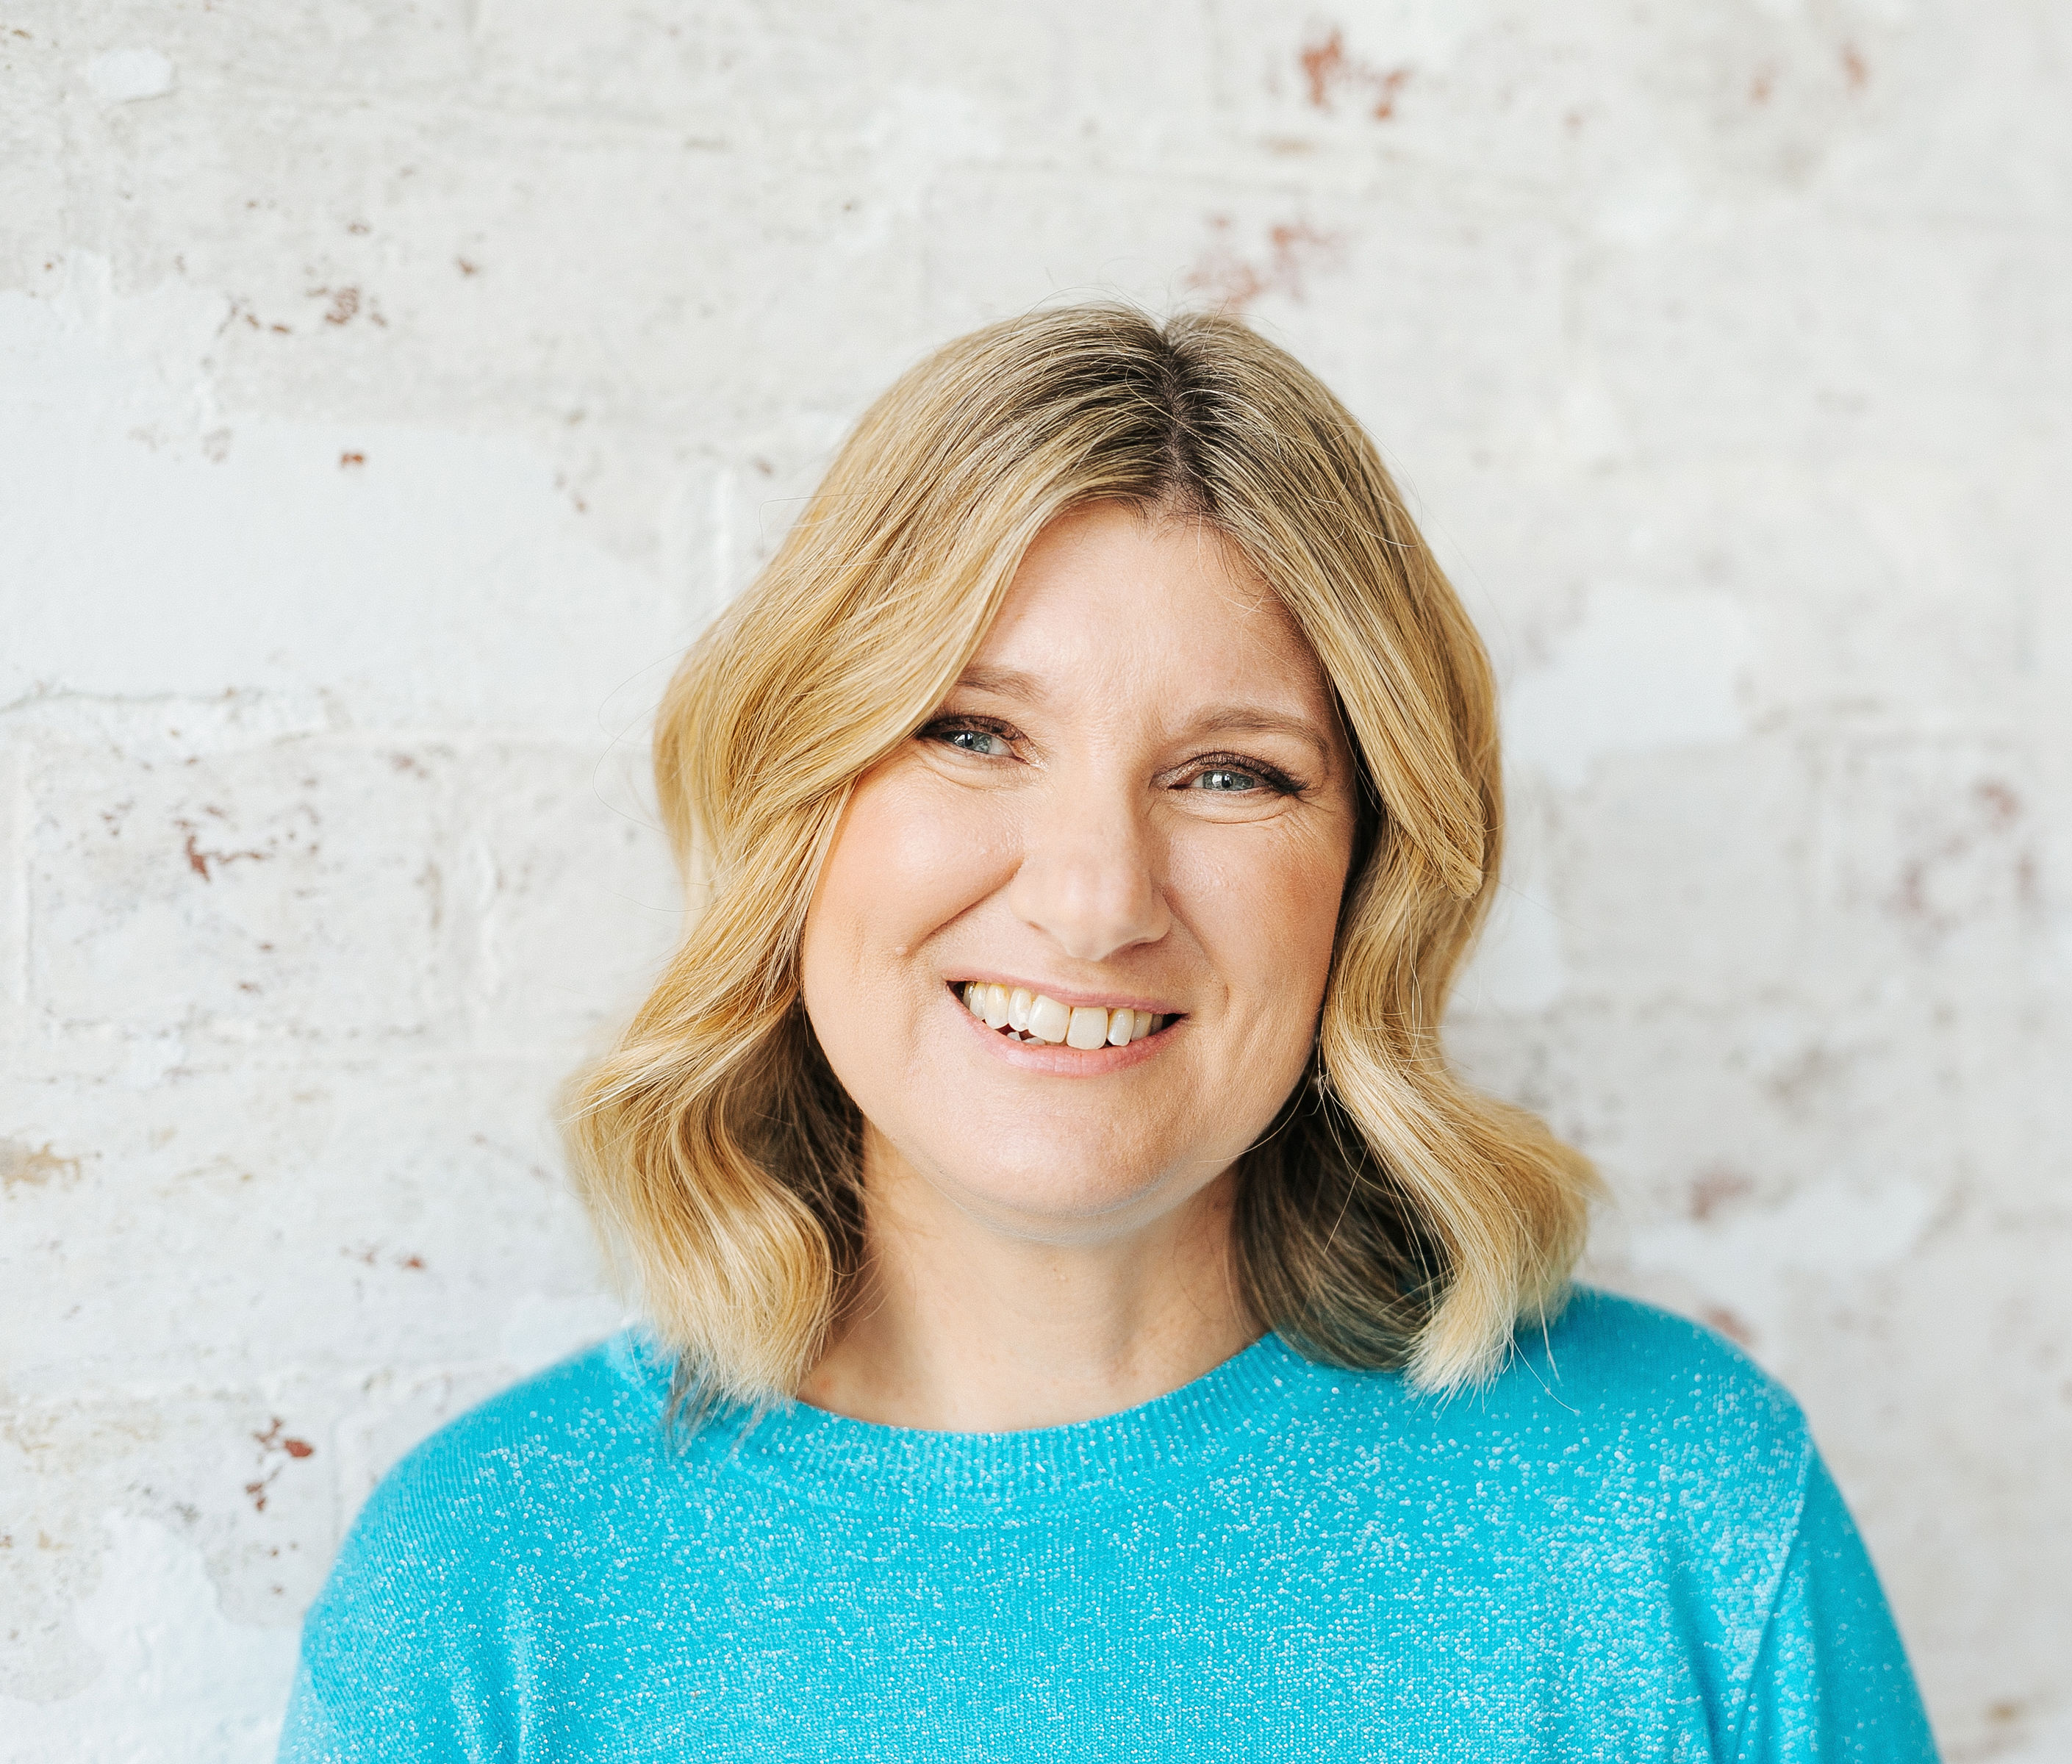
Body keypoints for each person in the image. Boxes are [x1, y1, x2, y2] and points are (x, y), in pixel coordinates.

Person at [279, 304, 1939, 1762]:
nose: (1092, 901)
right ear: (800, 804)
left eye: (1232, 774)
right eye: (972, 733)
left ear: (1365, 879)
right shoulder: (489, 1590)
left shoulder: (1674, 1510)